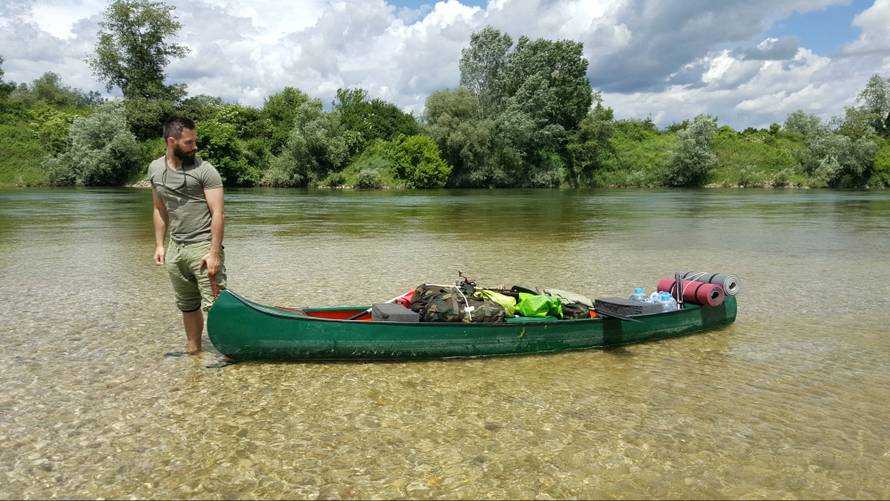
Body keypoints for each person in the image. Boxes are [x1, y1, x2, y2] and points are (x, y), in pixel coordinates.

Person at [149, 117, 226, 354]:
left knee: (217, 307)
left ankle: (227, 352)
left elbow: (218, 213)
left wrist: (214, 253)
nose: (195, 147)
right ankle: (194, 353)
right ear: (172, 141)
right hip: (176, 248)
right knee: (187, 305)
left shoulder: (205, 170)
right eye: (189, 142)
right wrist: (160, 246)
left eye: (195, 141)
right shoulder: (155, 169)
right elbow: (159, 208)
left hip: (202, 247)